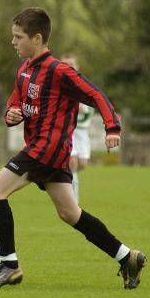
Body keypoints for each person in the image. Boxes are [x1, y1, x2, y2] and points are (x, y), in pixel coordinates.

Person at [0, 7, 147, 290]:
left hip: (47, 149)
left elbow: (95, 94)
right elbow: (13, 104)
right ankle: (127, 256)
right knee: (70, 213)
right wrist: (12, 115)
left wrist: (112, 127)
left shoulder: (60, 71)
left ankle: (9, 266)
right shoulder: (24, 69)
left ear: (38, 37)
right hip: (48, 153)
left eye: (18, 37)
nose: (13, 42)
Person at [62, 53, 94, 202]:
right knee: (72, 162)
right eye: (65, 64)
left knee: (82, 164)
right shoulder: (60, 84)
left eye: (71, 64)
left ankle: (61, 174)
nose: (69, 67)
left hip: (82, 132)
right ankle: (73, 199)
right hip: (67, 130)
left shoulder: (84, 84)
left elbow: (93, 104)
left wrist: (85, 108)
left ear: (77, 67)